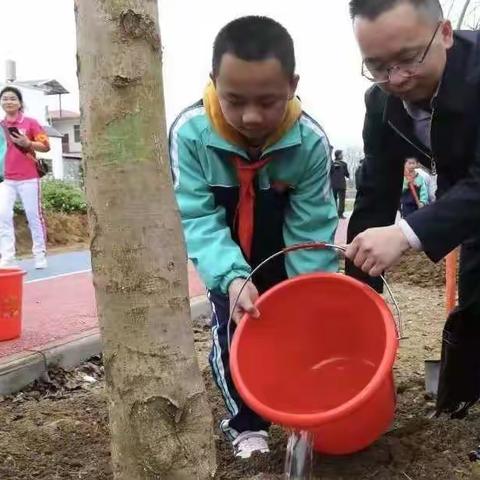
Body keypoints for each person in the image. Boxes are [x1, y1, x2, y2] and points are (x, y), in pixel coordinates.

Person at [169, 16, 338, 458]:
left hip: (284, 250)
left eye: (268, 101)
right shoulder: (190, 135)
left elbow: (312, 228)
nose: (251, 117)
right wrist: (230, 275)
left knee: (301, 326)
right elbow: (197, 217)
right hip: (226, 255)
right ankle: (246, 425)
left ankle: (306, 406)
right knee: (232, 332)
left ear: (292, 84)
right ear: (213, 82)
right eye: (235, 100)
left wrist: (306, 293)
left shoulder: (309, 143)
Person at [345, 0, 480, 417]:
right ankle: (458, 404)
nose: (396, 78)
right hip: (469, 207)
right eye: (378, 66)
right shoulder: (381, 105)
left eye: (408, 59)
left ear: (443, 33)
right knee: (474, 302)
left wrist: (405, 234)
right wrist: (356, 295)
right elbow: (374, 194)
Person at [0, 86, 50, 269]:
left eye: (12, 98)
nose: (8, 101)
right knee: (3, 215)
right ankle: (7, 256)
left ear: (20, 103)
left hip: (29, 177)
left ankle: (39, 254)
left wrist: (28, 143)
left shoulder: (30, 122)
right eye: (4, 98)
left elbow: (46, 146)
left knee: (33, 216)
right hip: (6, 179)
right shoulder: (1, 126)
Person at [330, 149, 350, 218]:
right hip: (341, 184)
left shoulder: (331, 163)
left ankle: (334, 213)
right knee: (342, 200)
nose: (342, 155)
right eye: (341, 154)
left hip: (333, 184)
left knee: (334, 199)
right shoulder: (344, 164)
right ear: (339, 155)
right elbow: (347, 174)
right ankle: (340, 214)